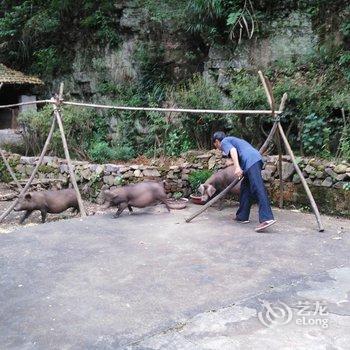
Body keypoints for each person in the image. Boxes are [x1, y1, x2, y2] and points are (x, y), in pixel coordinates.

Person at [212, 131, 276, 232]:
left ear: (216, 141)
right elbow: (240, 152)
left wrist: (237, 167)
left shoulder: (224, 142)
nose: (218, 148)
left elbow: (233, 150)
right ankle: (242, 216)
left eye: (216, 146)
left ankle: (267, 218)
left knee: (257, 187)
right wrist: (234, 163)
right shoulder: (232, 139)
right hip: (251, 161)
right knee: (245, 189)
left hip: (251, 161)